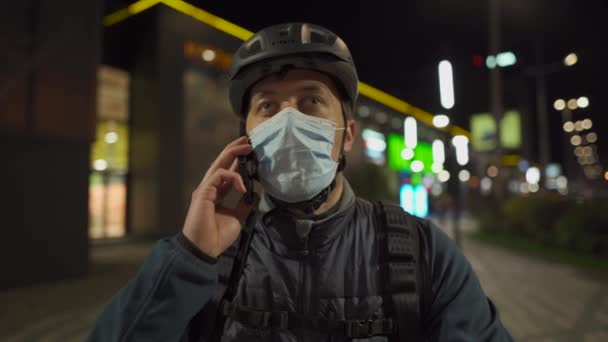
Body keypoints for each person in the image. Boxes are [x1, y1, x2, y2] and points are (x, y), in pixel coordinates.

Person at [87, 23, 513, 342]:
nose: (288, 120)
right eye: (267, 106)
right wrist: (190, 257)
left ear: (347, 135)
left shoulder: (422, 251)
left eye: (311, 100)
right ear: (246, 139)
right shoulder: (210, 258)